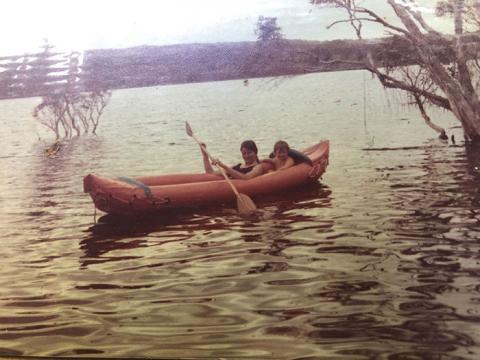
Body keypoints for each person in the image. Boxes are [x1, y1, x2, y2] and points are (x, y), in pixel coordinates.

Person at [199, 140, 265, 180]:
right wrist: (205, 156)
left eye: (249, 152)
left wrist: (223, 165)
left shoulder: (258, 167)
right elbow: (210, 172)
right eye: (244, 153)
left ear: (255, 152)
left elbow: (246, 178)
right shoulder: (237, 166)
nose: (246, 156)